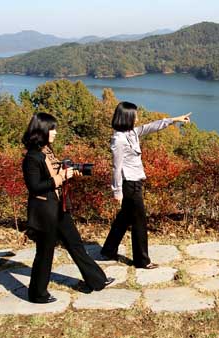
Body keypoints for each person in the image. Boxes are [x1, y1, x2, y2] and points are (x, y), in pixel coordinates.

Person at [22, 112, 114, 304]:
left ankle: (97, 280)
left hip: (59, 207)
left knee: (75, 244)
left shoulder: (47, 151)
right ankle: (37, 294)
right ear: (42, 130)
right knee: (45, 252)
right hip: (45, 211)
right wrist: (61, 177)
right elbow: (34, 187)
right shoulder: (32, 157)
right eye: (52, 129)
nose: (55, 132)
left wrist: (68, 172)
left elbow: (52, 174)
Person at [101, 102, 191, 269]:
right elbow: (116, 166)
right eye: (135, 114)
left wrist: (174, 120)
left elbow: (151, 127)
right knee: (139, 221)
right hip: (129, 184)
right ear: (127, 116)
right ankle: (142, 260)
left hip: (135, 181)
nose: (137, 117)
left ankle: (108, 250)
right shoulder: (118, 139)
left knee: (124, 217)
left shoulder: (132, 133)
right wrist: (117, 191)